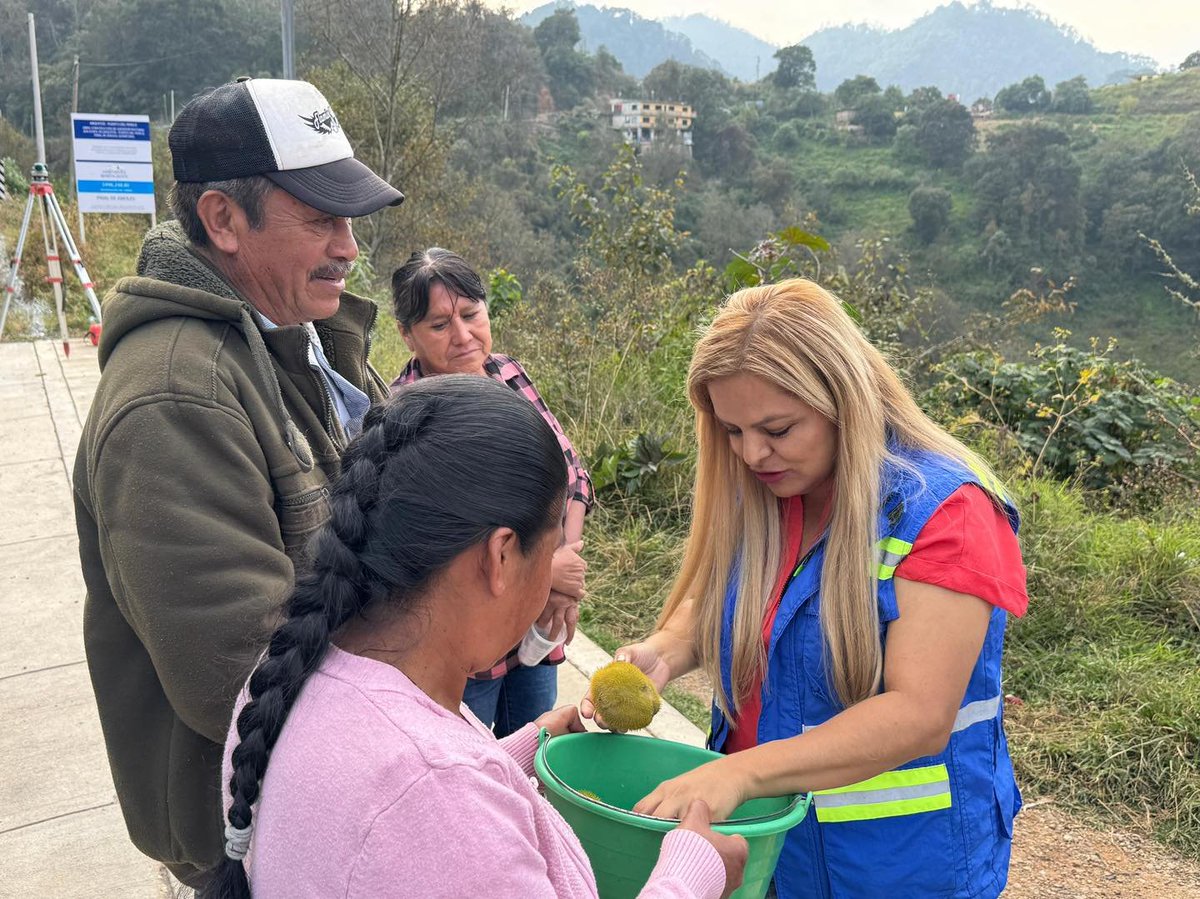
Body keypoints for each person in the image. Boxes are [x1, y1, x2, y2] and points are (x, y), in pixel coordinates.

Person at [199, 376, 747, 899]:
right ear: (501, 554)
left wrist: (527, 747)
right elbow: (432, 808)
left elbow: (408, 821)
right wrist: (691, 874)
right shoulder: (435, 793)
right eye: (554, 544)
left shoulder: (296, 672)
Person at [585, 279, 1029, 898]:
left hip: (895, 867)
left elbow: (920, 712)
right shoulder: (775, 487)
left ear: (842, 400)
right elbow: (726, 597)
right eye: (733, 431)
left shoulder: (945, 512)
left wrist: (740, 775)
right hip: (768, 843)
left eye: (778, 427)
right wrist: (667, 649)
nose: (753, 453)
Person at [73, 77, 403, 888]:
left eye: (350, 218)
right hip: (258, 834)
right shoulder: (175, 398)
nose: (349, 246)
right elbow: (245, 674)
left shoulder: (296, 332)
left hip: (326, 793)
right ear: (223, 219)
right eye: (320, 217)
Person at [390, 248, 592, 736]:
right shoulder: (406, 413)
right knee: (474, 759)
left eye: (471, 315)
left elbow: (572, 476)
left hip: (537, 628)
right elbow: (443, 538)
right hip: (469, 644)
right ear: (407, 334)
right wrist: (545, 571)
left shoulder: (508, 376)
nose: (462, 337)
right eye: (439, 325)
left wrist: (560, 576)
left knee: (541, 752)